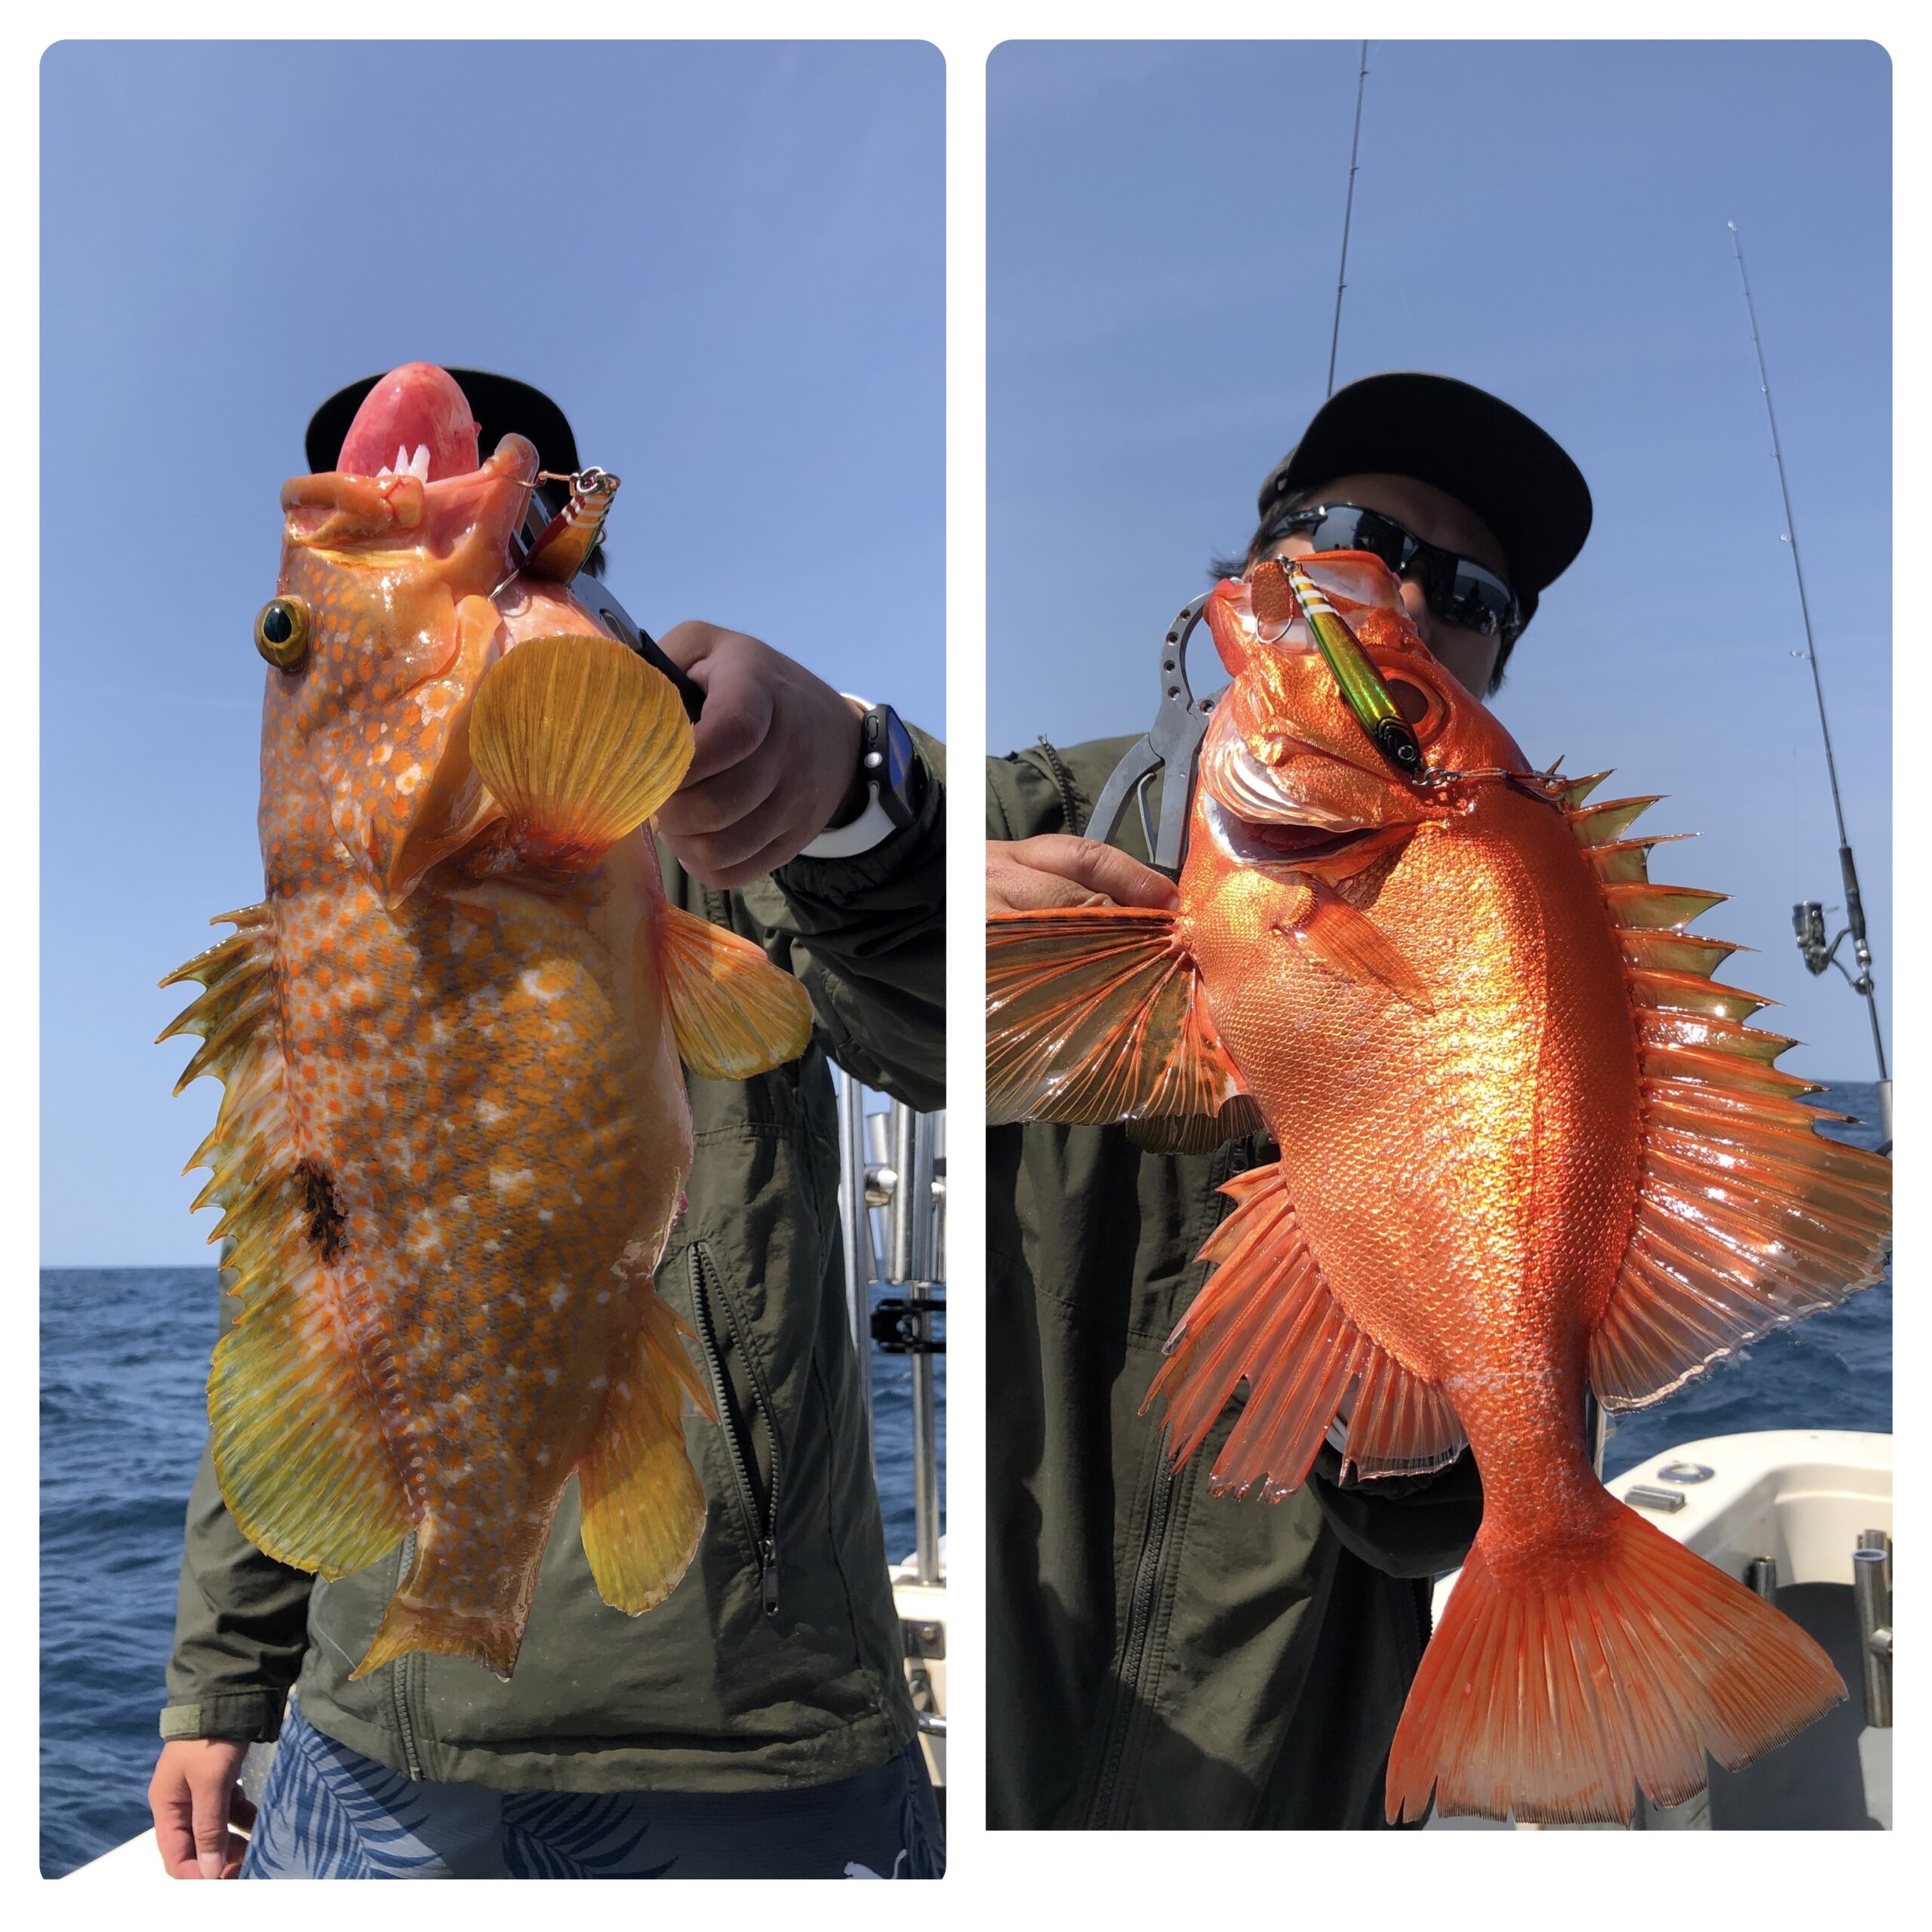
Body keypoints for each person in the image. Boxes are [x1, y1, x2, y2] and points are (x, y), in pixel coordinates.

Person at [148, 374, 947, 1880]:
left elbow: (950, 1030)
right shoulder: (311, 971)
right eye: (295, 632)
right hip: (374, 1727)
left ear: (571, 551)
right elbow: (298, 1309)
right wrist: (222, 1681)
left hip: (755, 1732)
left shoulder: (734, 832)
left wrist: (852, 787)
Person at [986, 372, 1592, 1829]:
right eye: (1361, 539)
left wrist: (1422, 1409)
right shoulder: (1027, 817)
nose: (1408, 594)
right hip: (1006, 1731)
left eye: (1472, 594)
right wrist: (926, 906)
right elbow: (836, 948)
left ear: (1491, 667)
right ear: (1263, 561)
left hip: (1294, 1770)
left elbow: (1426, 1520)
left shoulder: (1526, 944)